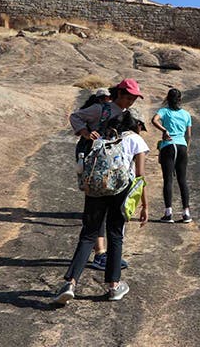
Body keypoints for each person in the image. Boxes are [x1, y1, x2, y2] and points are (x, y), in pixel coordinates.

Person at [54, 104, 149, 304]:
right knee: (115, 236)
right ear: (136, 125)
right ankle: (114, 286)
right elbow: (140, 176)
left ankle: (70, 283)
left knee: (88, 235)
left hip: (96, 189)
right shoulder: (136, 140)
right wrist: (144, 205)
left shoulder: (103, 139)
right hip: (120, 190)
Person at [71, 81, 142, 269]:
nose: (130, 102)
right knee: (97, 209)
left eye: (133, 99)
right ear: (119, 93)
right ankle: (100, 253)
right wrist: (86, 132)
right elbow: (75, 117)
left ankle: (104, 255)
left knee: (109, 210)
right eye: (128, 98)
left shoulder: (127, 114)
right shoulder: (100, 109)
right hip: (95, 165)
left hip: (115, 168)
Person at [151, 88, 193, 223]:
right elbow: (189, 135)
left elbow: (154, 120)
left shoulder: (164, 111)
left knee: (168, 179)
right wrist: (187, 149)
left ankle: (168, 213)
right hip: (182, 146)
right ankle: (186, 213)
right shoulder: (186, 114)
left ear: (167, 99)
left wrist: (164, 130)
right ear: (180, 99)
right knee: (182, 180)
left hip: (168, 145)